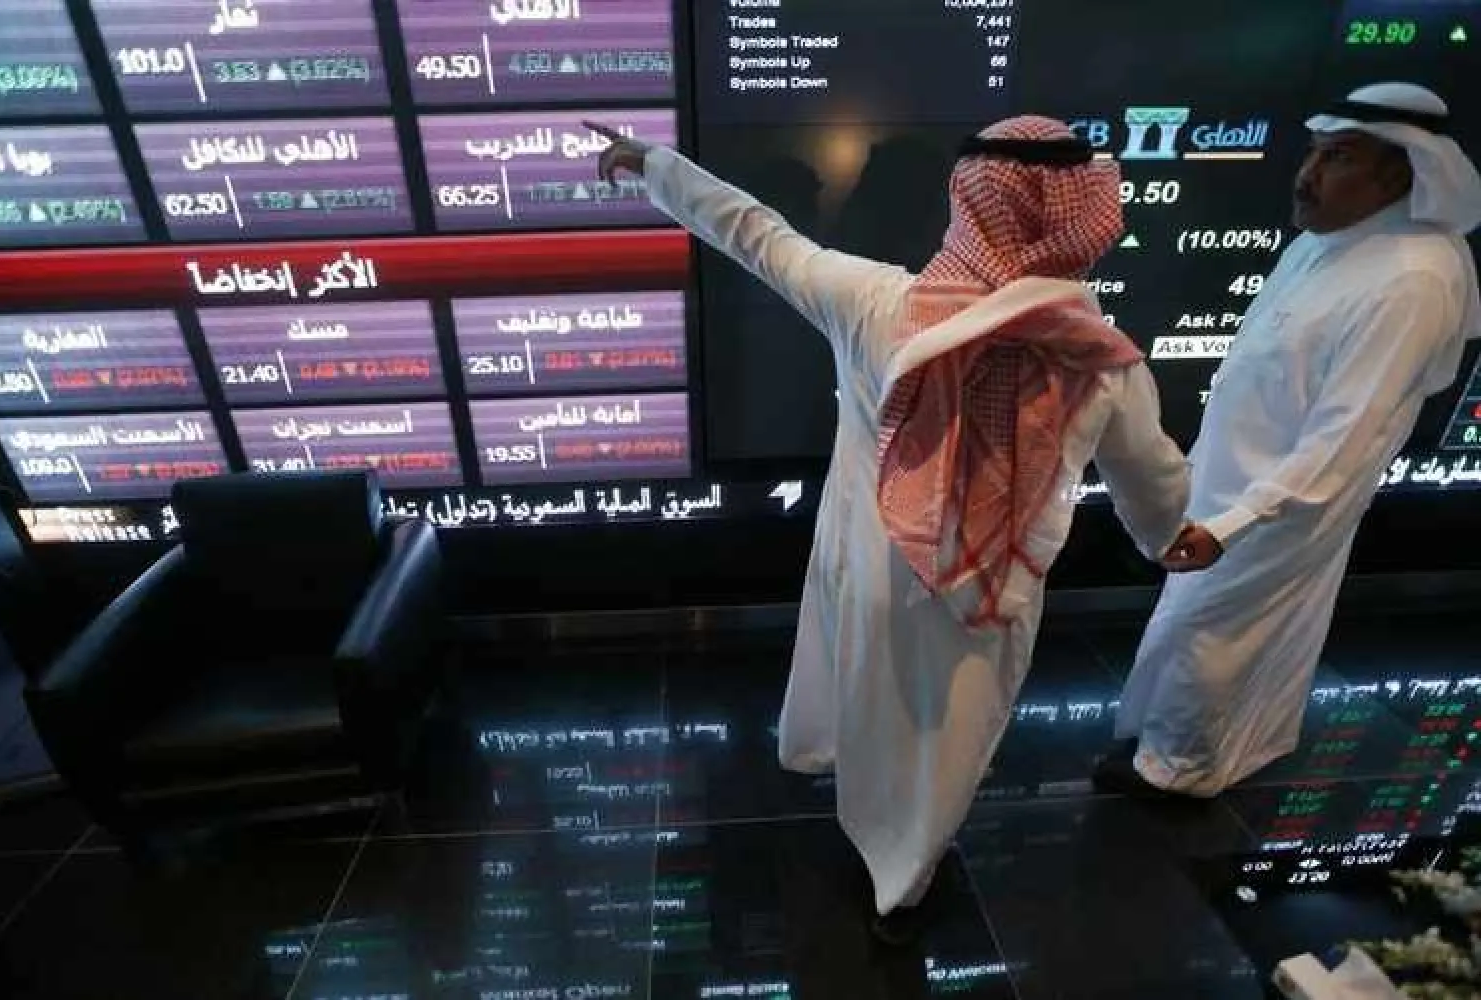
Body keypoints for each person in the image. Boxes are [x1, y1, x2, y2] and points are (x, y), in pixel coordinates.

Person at [584, 116, 1190, 939]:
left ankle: (847, 783)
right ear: (1082, 219)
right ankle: (902, 884)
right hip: (988, 595)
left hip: (867, 562)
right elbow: (1150, 475)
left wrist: (656, 166)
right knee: (942, 743)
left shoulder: (873, 302)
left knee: (864, 686)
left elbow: (760, 238)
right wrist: (1167, 537)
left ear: (967, 203)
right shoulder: (1102, 361)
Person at [1098, 82, 1481, 800]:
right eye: (1314, 152)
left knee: (1213, 631)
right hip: (1227, 482)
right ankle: (1163, 744)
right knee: (1194, 621)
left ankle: (1178, 774)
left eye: (1339, 158)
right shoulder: (1326, 239)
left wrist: (1236, 521)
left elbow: (1348, 434)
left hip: (1283, 502)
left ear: (1400, 174)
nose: (1309, 174)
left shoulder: (1413, 279)